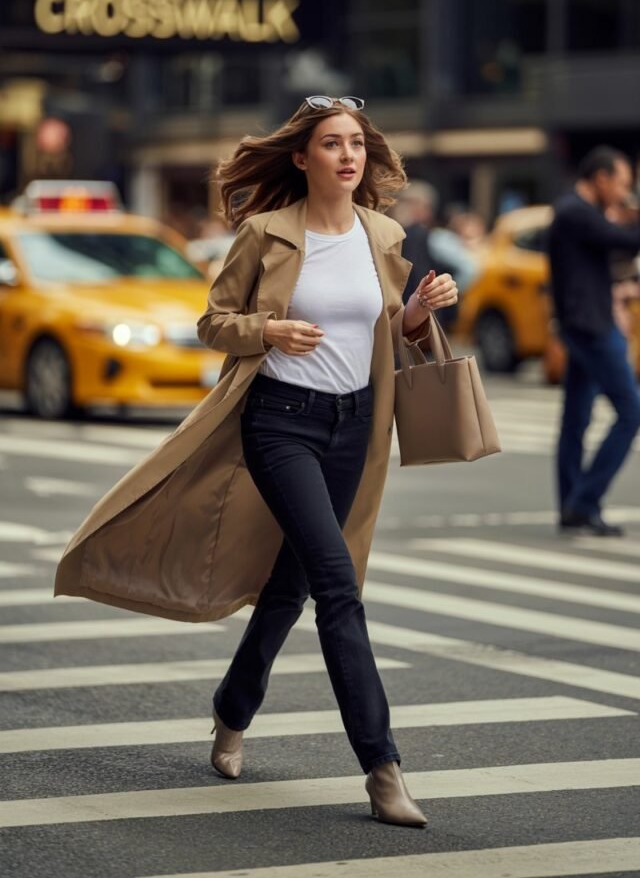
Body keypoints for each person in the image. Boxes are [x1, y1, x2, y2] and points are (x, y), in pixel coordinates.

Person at [54, 95, 457, 828]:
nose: (348, 155)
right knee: (340, 589)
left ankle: (232, 711)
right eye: (332, 144)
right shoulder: (265, 233)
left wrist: (420, 313)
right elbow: (213, 322)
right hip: (281, 426)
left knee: (290, 588)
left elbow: (386, 331)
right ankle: (384, 768)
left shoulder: (384, 233)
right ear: (302, 158)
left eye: (357, 144)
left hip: (354, 428)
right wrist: (268, 330)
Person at [549, 145, 640, 537]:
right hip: (589, 327)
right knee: (631, 410)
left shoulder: (578, 212)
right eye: (621, 184)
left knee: (576, 419)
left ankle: (573, 507)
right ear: (600, 178)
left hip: (585, 322)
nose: (623, 192)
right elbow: (622, 241)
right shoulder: (575, 212)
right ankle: (584, 503)